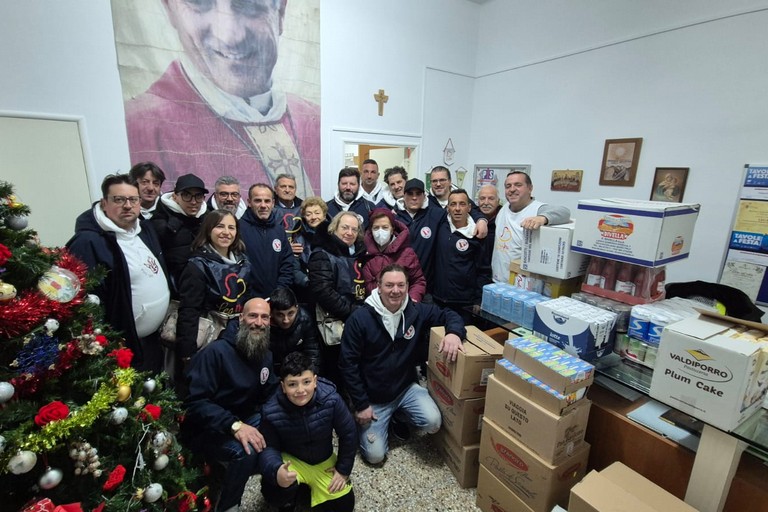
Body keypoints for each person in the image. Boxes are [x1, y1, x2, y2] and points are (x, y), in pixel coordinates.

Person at [124, 0, 320, 196]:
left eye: (249, 4)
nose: (230, 36)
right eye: (200, 3)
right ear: (170, 9)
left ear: (281, 11)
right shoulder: (142, 126)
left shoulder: (313, 120)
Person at [339, 264, 465, 465]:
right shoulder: (359, 318)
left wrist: (454, 333)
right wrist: (361, 404)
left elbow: (449, 314)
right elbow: (348, 365)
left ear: (407, 286)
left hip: (405, 389)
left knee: (433, 423)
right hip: (373, 398)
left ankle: (399, 415)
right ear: (378, 287)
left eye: (401, 285)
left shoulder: (416, 311)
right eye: (389, 285)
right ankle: (372, 419)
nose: (395, 291)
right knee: (375, 456)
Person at [182, 297, 278, 512]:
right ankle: (228, 505)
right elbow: (195, 403)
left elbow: (271, 392)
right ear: (241, 318)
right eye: (253, 315)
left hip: (243, 418)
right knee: (247, 450)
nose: (259, 322)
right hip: (207, 428)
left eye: (265, 317)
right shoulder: (216, 353)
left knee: (280, 424)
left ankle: (277, 491)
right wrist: (235, 426)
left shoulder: (265, 354)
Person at [67, 174, 170, 373]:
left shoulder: (144, 229)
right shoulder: (88, 242)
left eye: (133, 199)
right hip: (121, 349)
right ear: (104, 203)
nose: (127, 205)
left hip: (152, 341)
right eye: (119, 199)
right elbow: (84, 304)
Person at [259, 352, 356, 512]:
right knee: (275, 493)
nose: (301, 390)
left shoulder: (331, 400)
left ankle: (307, 491)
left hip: (323, 460)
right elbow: (268, 447)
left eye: (306, 382)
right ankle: (291, 498)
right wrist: (276, 470)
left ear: (315, 381)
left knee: (344, 505)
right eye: (292, 384)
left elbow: (349, 433)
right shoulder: (270, 410)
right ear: (283, 386)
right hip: (291, 460)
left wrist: (343, 469)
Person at [174, 209, 252, 389]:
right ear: (209, 230)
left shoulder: (243, 261)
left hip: (236, 335)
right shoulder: (197, 265)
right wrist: (187, 351)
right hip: (209, 338)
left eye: (231, 227)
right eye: (220, 226)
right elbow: (189, 310)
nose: (226, 232)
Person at [308, 211, 366, 387]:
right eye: (345, 227)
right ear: (334, 228)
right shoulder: (322, 254)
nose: (349, 232)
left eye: (354, 229)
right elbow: (323, 291)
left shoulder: (354, 254)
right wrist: (352, 312)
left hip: (352, 323)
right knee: (335, 374)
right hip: (332, 325)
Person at [491, 171, 570, 283]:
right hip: (497, 280)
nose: (512, 189)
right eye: (508, 186)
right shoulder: (503, 209)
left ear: (530, 188)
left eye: (518, 185)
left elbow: (564, 212)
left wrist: (542, 218)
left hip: (521, 285)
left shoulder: (537, 209)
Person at [150, 173, 209, 294]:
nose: (193, 202)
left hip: (207, 288)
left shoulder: (209, 219)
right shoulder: (159, 223)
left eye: (198, 196)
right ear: (175, 197)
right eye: (186, 195)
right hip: (173, 292)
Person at [432, 190, 483, 321]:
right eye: (453, 204)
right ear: (448, 208)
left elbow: (483, 269)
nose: (458, 209)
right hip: (438, 299)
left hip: (464, 302)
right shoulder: (440, 225)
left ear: (469, 207)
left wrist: (478, 299)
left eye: (462, 204)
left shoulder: (476, 234)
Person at [393, 178, 449, 293]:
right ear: (403, 196)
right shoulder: (394, 218)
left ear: (424, 196)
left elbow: (463, 208)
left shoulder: (436, 215)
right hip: (398, 286)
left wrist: (480, 219)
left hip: (428, 287)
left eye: (418, 194)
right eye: (410, 194)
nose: (414, 197)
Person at [239, 183, 294, 298]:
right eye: (258, 201)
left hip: (275, 300)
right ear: (249, 202)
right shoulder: (238, 229)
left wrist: (280, 291)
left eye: (267, 201)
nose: (263, 205)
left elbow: (287, 263)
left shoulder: (279, 230)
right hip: (247, 300)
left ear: (273, 203)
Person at [361, 208, 426, 302]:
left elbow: (418, 281)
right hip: (373, 307)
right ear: (371, 230)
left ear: (392, 229)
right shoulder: (364, 252)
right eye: (376, 228)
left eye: (385, 227)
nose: (380, 231)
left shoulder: (406, 253)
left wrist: (412, 300)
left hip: (400, 305)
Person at [269, 287, 320, 376]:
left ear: (297, 308)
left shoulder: (305, 319)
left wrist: (310, 376)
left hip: (299, 372)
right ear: (271, 313)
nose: (286, 320)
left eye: (290, 313)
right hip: (272, 373)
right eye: (280, 315)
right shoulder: (263, 324)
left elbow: (313, 353)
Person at [290, 196, 328, 297]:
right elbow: (295, 270)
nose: (313, 217)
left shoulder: (335, 235)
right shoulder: (298, 239)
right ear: (304, 217)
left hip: (331, 288)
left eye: (317, 213)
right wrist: (310, 283)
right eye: (308, 214)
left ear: (324, 215)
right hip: (307, 290)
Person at [477, 184, 501, 286]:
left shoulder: (504, 218)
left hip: (499, 275)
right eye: (482, 198)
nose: (486, 203)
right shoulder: (472, 218)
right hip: (477, 275)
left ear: (498, 201)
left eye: (491, 199)